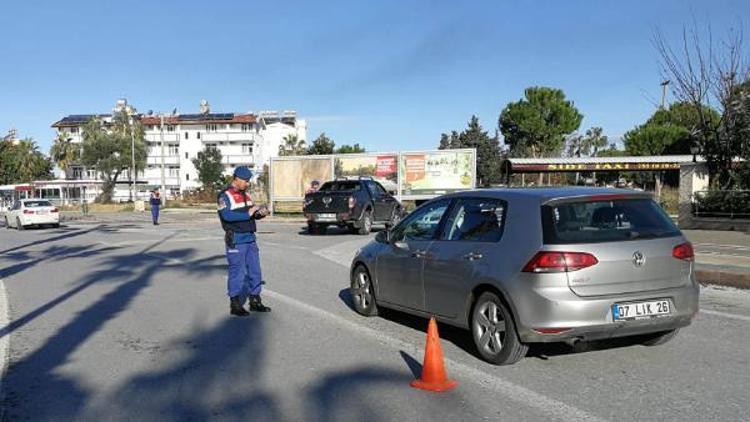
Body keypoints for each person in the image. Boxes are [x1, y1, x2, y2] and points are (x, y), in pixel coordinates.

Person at [217, 166, 271, 316]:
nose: (248, 184)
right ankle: (235, 304)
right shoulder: (224, 196)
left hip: (250, 238)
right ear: (237, 179)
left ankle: (255, 300)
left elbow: (252, 215)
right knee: (237, 272)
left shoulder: (246, 195)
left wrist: (260, 213)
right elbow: (227, 216)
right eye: (246, 181)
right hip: (236, 239)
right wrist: (248, 213)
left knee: (255, 271)